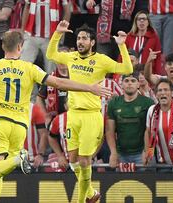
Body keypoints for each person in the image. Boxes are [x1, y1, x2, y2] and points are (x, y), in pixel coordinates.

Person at [0, 30, 112, 203]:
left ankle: (18, 159)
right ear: (20, 46)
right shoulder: (31, 69)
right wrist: (89, 88)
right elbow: (59, 82)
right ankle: (16, 161)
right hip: (19, 127)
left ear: (3, 46)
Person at [46, 20, 133, 202]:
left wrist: (122, 46)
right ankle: (91, 193)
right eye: (79, 38)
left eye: (85, 38)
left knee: (85, 161)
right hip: (73, 115)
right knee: (72, 161)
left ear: (93, 42)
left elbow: (127, 68)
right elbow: (50, 53)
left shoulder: (101, 60)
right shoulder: (71, 57)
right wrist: (58, 33)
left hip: (91, 115)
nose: (80, 41)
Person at [106, 70, 154, 169]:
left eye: (133, 81)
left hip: (142, 153)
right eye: (126, 81)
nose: (129, 83)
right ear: (122, 85)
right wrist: (113, 153)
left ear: (138, 84)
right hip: (121, 154)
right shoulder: (113, 103)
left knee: (146, 182)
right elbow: (109, 131)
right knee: (122, 184)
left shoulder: (148, 103)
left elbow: (152, 131)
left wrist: (147, 152)